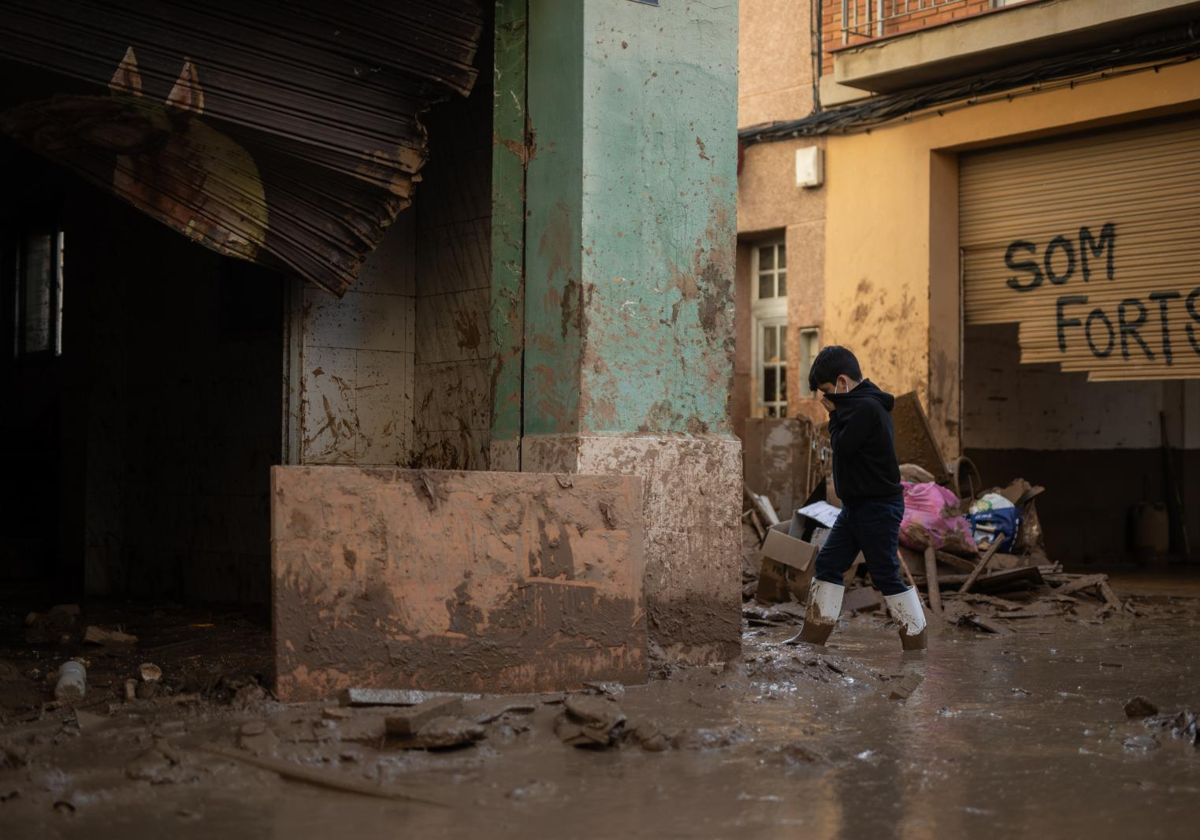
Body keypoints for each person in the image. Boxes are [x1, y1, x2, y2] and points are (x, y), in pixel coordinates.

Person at [784, 346, 927, 650]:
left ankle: (916, 643)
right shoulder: (862, 406)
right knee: (828, 565)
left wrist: (834, 417)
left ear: (842, 382)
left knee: (886, 574)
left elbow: (844, 447)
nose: (826, 398)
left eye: (827, 391)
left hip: (877, 507)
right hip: (855, 508)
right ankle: (813, 636)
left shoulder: (866, 409)